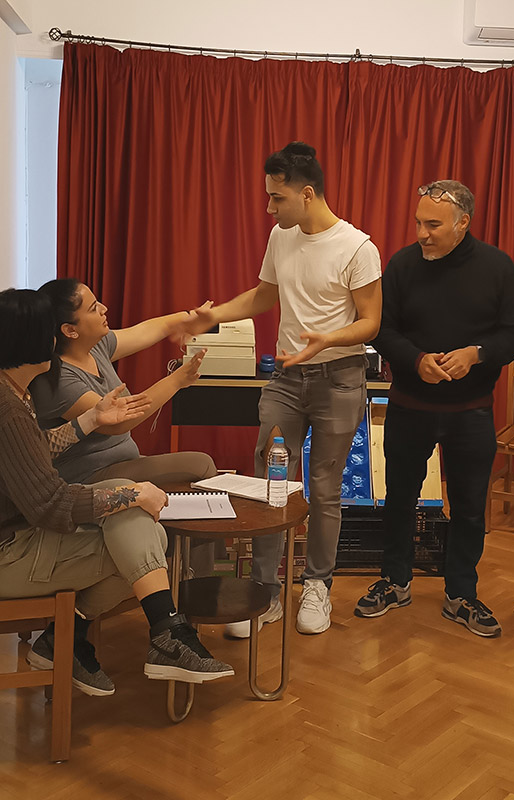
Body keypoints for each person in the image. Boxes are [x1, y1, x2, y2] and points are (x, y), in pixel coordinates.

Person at [179, 142, 382, 636]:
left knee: (325, 489)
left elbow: (371, 322)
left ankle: (317, 586)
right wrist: (213, 316)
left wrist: (328, 339)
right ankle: (265, 590)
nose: (269, 208)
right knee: (271, 485)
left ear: (307, 194)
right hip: (287, 379)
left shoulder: (358, 247)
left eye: (277, 198)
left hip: (339, 377)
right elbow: (264, 294)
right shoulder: (280, 236)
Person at [0, 288, 233, 696]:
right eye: (49, 333)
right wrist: (134, 496)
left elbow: (35, 450)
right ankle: (163, 632)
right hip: (10, 552)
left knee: (140, 527)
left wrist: (90, 419)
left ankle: (82, 638)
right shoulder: (11, 411)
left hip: (23, 534)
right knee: (149, 544)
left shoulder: (14, 392)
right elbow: (51, 505)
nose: (55, 343)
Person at [354, 180, 514, 637]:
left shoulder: (496, 267)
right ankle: (395, 582)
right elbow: (380, 328)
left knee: (469, 507)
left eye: (433, 225)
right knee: (399, 499)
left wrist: (477, 353)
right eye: (418, 222)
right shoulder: (402, 264)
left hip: (471, 410)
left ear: (463, 223)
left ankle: (461, 594)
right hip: (410, 405)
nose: (421, 233)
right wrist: (415, 360)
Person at [31, 278, 216, 488]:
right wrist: (176, 381)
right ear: (70, 330)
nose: (104, 309)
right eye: (93, 308)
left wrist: (191, 317)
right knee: (202, 465)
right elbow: (118, 423)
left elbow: (148, 330)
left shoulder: (96, 347)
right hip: (89, 475)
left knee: (200, 464)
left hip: (124, 462)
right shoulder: (58, 379)